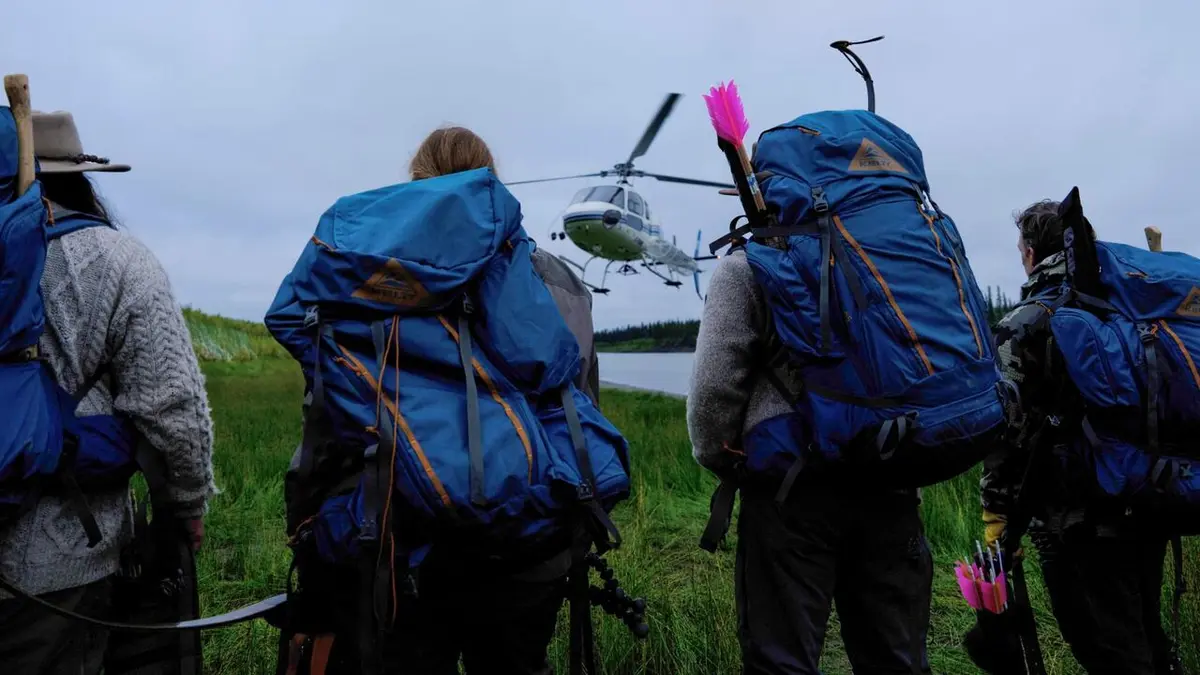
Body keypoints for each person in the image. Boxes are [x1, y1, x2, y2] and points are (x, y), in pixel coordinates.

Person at [266, 125, 617, 675]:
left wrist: (308, 531)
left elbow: (328, 422)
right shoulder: (559, 281)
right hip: (531, 544)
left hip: (405, 549)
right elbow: (580, 404)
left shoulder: (372, 278)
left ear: (417, 185)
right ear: (491, 183)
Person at [0, 109, 216, 674]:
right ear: (80, 178)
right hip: (59, 568)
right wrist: (186, 506)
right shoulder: (118, 260)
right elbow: (173, 409)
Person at [974, 199, 1184, 674]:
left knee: (1109, 651)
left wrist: (997, 516)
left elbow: (1007, 431)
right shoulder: (1124, 310)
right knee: (1146, 634)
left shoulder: (1024, 324)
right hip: (1146, 497)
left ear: (1031, 254)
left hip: (1075, 521)